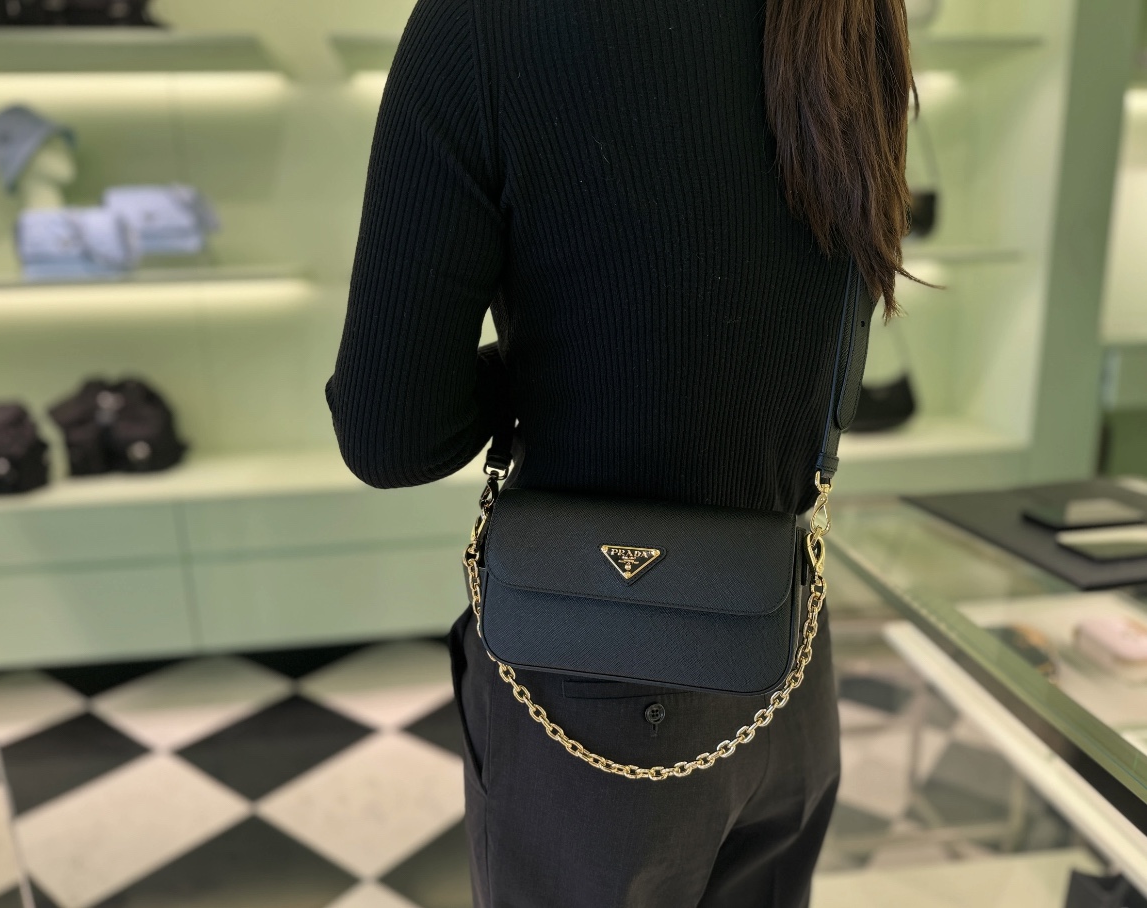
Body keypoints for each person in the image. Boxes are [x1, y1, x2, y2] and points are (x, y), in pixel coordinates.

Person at [326, 0, 915, 904]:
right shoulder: (855, 15)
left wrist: (544, 367)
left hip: (589, 680)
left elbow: (389, 432)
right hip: (781, 645)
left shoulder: (486, 23)